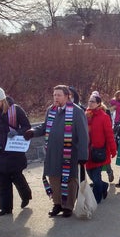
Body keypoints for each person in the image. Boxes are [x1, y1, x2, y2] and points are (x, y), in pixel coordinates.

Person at [24, 85, 89, 216]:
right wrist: (33, 132)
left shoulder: (77, 111)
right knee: (54, 178)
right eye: (54, 95)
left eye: (59, 95)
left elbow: (83, 135)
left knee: (70, 180)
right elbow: (44, 126)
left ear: (67, 96)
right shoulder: (51, 110)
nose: (55, 97)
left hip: (69, 154)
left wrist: (83, 155)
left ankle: (68, 207)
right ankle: (57, 204)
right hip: (53, 152)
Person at [0, 87, 32, 217]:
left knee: (17, 177)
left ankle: (26, 196)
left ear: (3, 100)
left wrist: (17, 132)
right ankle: (4, 208)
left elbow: (26, 126)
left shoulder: (16, 109)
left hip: (14, 151)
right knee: (2, 182)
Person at [85, 93, 117, 203]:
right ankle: (104, 186)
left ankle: (96, 199)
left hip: (99, 152)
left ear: (98, 104)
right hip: (87, 152)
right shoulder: (86, 115)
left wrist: (113, 150)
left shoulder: (104, 117)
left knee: (96, 176)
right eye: (89, 101)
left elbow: (109, 135)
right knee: (90, 174)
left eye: (93, 101)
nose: (90, 103)